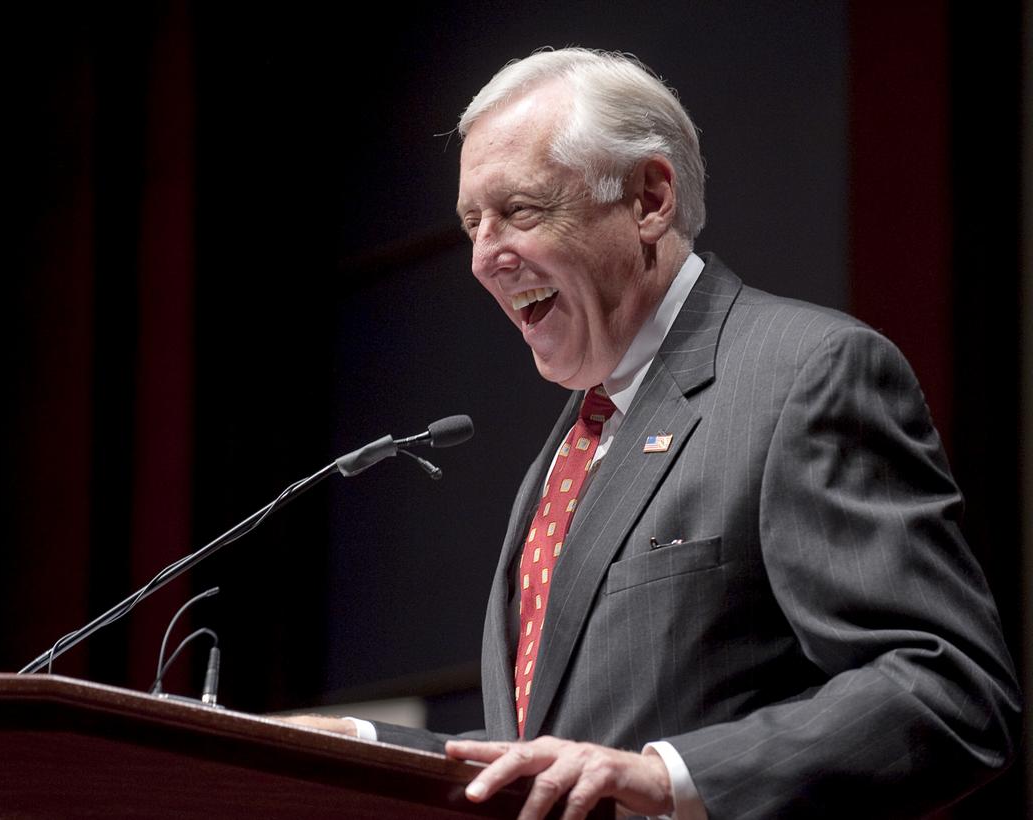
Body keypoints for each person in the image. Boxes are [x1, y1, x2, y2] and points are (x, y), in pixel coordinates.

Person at [286, 48, 1020, 818]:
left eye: (522, 211)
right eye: (473, 222)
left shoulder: (805, 374)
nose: (482, 258)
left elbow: (949, 693)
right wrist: (357, 745)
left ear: (649, 199)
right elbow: (561, 755)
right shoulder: (575, 441)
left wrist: (668, 779)